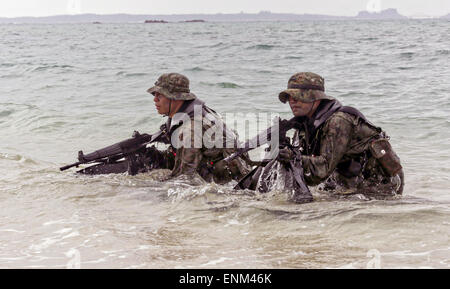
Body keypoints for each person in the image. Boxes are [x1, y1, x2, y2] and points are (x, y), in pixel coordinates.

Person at [276, 72, 404, 197]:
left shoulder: (338, 121)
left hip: (380, 187)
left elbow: (323, 169)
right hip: (347, 183)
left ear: (316, 98)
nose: (292, 101)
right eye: (289, 98)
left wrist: (293, 157)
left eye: (299, 97)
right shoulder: (306, 124)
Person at [145, 72, 251, 183]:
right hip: (233, 168)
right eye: (154, 95)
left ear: (175, 98)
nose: (155, 100)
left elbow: (185, 178)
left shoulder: (190, 128)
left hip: (230, 182)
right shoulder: (193, 111)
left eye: (160, 95)